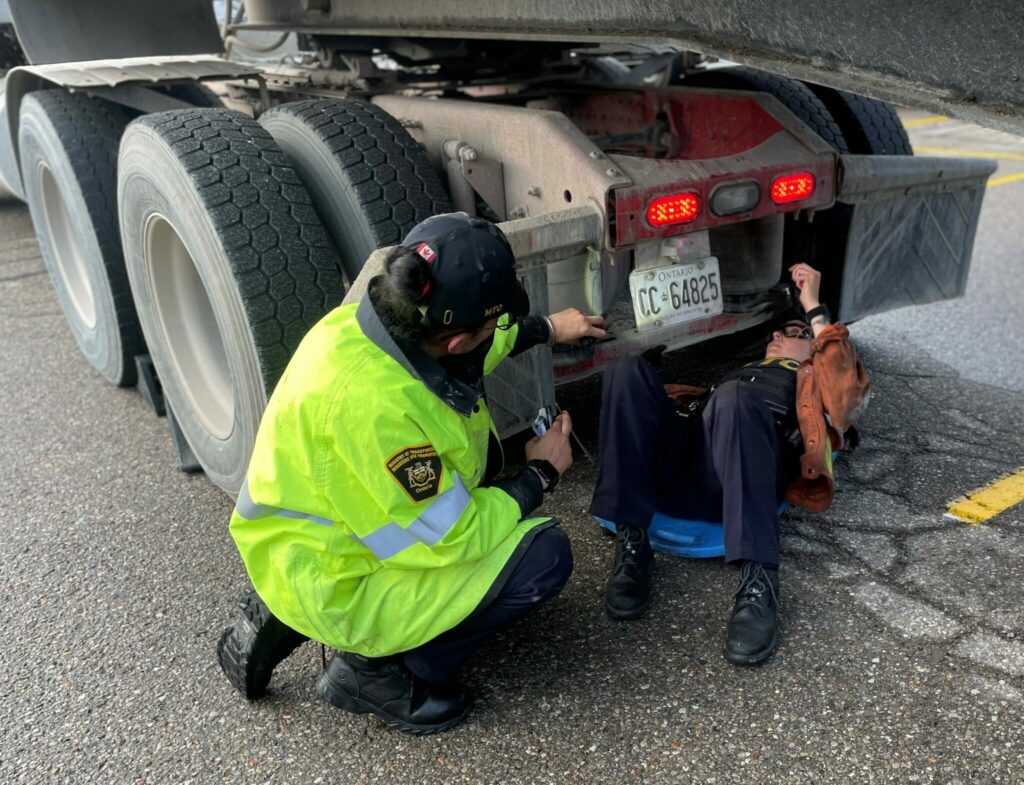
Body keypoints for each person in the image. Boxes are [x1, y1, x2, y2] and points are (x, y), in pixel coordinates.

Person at [217, 212, 606, 734]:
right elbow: (457, 534)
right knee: (544, 556)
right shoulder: (377, 412)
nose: (495, 335)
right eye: (490, 326)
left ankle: (280, 607)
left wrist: (549, 328)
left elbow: (477, 350)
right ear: (456, 341)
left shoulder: (370, 327)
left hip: (300, 547)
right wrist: (540, 475)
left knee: (482, 485)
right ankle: (374, 673)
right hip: (344, 579)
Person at [589, 263, 869, 666]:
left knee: (736, 398)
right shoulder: (742, 377)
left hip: (739, 476)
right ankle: (632, 544)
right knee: (625, 369)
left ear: (815, 348)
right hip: (687, 461)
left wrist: (812, 305)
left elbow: (843, 388)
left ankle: (759, 583)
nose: (776, 335)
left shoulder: (818, 383)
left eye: (793, 333)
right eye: (776, 331)